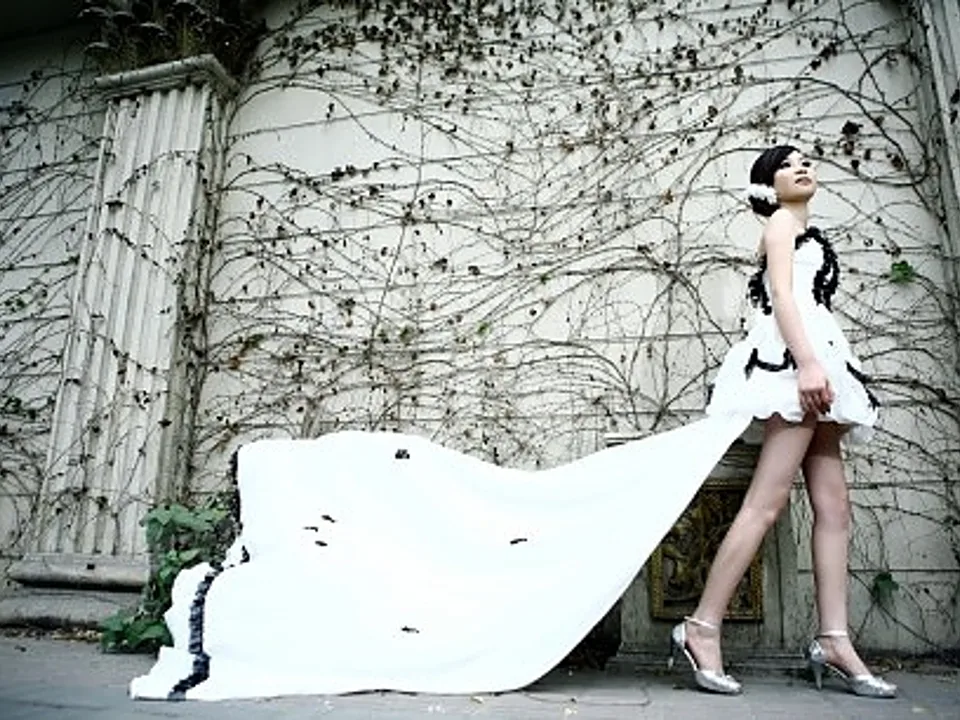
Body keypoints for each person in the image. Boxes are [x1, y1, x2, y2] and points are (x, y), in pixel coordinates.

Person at [668, 145, 896, 698]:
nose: (803, 167)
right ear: (768, 185)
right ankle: (701, 626)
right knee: (765, 502)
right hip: (797, 362)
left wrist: (821, 362)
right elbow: (783, 297)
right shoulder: (780, 225)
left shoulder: (803, 229)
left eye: (807, 161)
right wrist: (808, 364)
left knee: (834, 507)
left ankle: (834, 639)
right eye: (788, 164)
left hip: (819, 357)